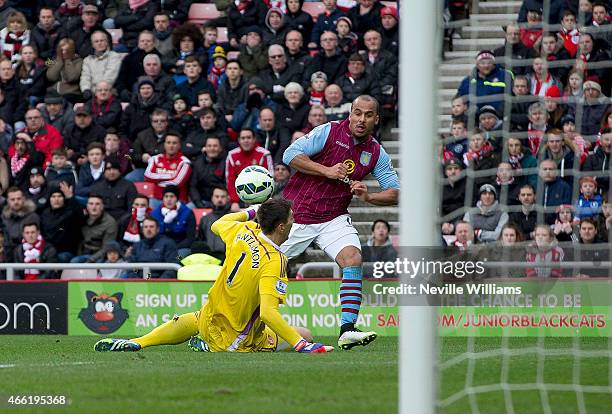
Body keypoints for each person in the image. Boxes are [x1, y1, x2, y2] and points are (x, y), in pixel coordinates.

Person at [96, 198, 334, 353]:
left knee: (197, 318)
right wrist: (302, 345)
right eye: (291, 218)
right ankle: (210, 346)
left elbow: (218, 223)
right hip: (234, 337)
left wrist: (252, 212)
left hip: (210, 315)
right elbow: (269, 313)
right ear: (281, 226)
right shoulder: (275, 260)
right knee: (305, 334)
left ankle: (140, 341)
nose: (295, 221)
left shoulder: (245, 229)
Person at [281, 95, 399, 349]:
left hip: (333, 216)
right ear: (350, 114)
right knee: (263, 266)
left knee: (353, 258)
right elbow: (290, 155)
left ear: (376, 119)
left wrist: (369, 196)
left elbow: (394, 192)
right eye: (357, 113)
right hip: (295, 215)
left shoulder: (375, 152)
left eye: (368, 115)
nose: (361, 119)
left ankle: (347, 329)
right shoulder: (329, 131)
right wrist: (326, 170)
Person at [226, 128, 273, 211]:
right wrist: (234, 201)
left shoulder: (264, 154)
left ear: (254, 139)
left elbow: (270, 178)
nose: (246, 140)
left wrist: (263, 199)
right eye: (243, 138)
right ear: (239, 140)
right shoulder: (232, 155)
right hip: (239, 199)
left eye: (248, 137)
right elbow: (230, 180)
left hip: (261, 197)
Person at [144, 132, 192, 207]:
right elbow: (147, 176)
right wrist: (172, 175)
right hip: (157, 199)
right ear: (164, 144)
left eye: (174, 143)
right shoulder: (155, 159)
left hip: (177, 201)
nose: (171, 146)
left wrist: (158, 181)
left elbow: (176, 183)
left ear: (179, 145)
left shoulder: (185, 162)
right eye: (168, 142)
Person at [39, 181, 82, 262]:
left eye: (59, 196)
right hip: (47, 250)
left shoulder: (70, 212)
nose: (56, 199)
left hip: (65, 251)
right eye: (53, 196)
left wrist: (70, 197)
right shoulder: (44, 214)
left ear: (64, 198)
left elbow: (81, 216)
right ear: (50, 199)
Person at [150, 185, 195, 258]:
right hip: (159, 248)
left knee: (177, 258)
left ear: (177, 198)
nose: (169, 199)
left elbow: (190, 238)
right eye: (166, 196)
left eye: (172, 196)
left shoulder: (187, 213)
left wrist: (173, 248)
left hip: (180, 248)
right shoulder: (154, 214)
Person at [71, 194, 117, 263]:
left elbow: (107, 248)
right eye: (91, 204)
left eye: (97, 204)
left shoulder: (110, 222)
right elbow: (79, 240)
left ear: (102, 207)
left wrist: (90, 260)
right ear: (87, 206)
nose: (94, 207)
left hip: (100, 255)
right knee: (73, 262)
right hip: (83, 252)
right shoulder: (82, 218)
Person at [79, 30, 123, 99]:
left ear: (106, 42)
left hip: (108, 92)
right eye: (96, 41)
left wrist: (99, 90)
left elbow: (110, 77)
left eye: (102, 40)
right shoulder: (87, 60)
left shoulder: (114, 56)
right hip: (92, 94)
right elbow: (85, 77)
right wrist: (85, 89)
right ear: (93, 45)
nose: (99, 43)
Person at [2, 186, 40, 259]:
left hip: (26, 254)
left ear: (23, 199)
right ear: (8, 201)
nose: (16, 202)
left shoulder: (32, 216)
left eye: (18, 199)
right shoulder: (3, 217)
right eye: (12, 199)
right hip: (6, 254)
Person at [189, 136, 226, 208]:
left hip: (221, 200)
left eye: (215, 146)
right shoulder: (197, 163)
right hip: (202, 200)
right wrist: (198, 202)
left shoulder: (226, 162)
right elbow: (193, 186)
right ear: (205, 148)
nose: (212, 148)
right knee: (188, 209)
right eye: (209, 146)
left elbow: (227, 184)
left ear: (220, 148)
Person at [197, 186, 231, 262]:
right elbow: (200, 239)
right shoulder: (205, 219)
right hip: (208, 258)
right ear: (212, 198)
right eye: (217, 196)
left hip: (228, 258)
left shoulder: (234, 217)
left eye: (222, 197)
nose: (219, 199)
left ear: (228, 198)